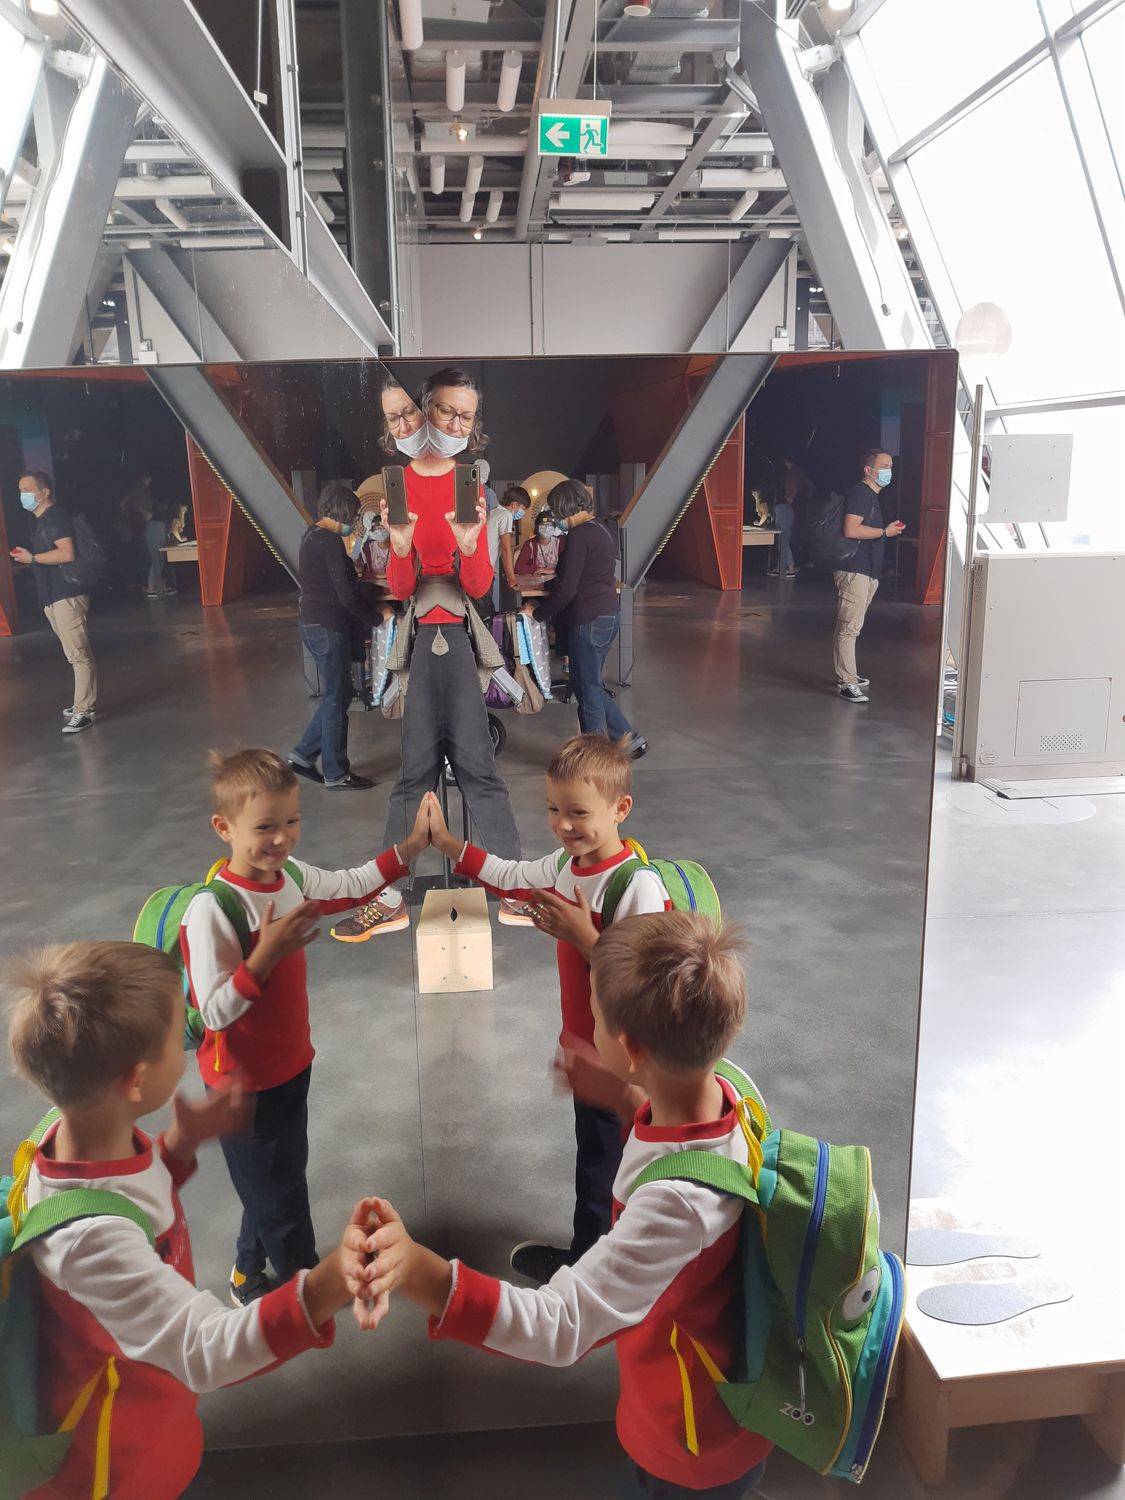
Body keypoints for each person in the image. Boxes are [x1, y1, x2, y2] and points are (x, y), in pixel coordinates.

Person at [346, 910, 772, 1500]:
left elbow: (560, 1325)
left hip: (690, 1446)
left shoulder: (677, 1207)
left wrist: (425, 1274)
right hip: (723, 1408)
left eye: (594, 1019)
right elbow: (688, 1139)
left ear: (629, 1048)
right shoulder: (733, 1090)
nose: (588, 1026)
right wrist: (625, 1096)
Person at [6, 938, 380, 1500]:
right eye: (178, 1036)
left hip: (150, 1405)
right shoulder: (89, 1244)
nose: (193, 1038)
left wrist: (177, 1147)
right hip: (118, 1468)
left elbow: (119, 1197)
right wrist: (329, 1283)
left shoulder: (69, 1134)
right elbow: (204, 1349)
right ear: (136, 1080)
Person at [181, 749, 430, 1306]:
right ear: (224, 827)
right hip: (241, 1087)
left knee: (275, 1179)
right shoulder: (215, 909)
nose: (281, 839)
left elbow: (348, 884)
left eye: (291, 821)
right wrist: (264, 956)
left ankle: (247, 1273)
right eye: (264, 827)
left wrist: (409, 850)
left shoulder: (289, 876)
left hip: (292, 1065)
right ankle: (308, 1293)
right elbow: (214, 1011)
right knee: (283, 1200)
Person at [425, 733, 673, 1282]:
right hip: (590, 1053)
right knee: (596, 1163)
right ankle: (593, 1258)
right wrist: (450, 846)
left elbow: (645, 985)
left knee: (617, 1171)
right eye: (554, 810)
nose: (563, 825)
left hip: (625, 1066)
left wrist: (585, 938)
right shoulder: (569, 863)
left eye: (578, 812)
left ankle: (601, 1273)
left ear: (621, 809)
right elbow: (513, 876)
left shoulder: (635, 886)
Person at [333, 370, 526, 941]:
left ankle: (514, 892)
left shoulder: (472, 483)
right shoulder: (398, 484)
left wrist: (470, 549)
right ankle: (391, 898)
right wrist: (399, 549)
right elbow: (399, 588)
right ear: (425, 410)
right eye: (446, 411)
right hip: (421, 639)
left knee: (478, 770)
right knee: (413, 774)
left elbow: (479, 586)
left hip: (459, 638)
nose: (456, 424)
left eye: (467, 416)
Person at [528, 478, 645, 760]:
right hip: (606, 615)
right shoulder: (600, 529)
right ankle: (629, 739)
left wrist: (539, 613)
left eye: (555, 509)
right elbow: (583, 575)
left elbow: (568, 589)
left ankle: (595, 757)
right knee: (586, 683)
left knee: (588, 687)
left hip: (589, 618)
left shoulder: (579, 535)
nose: (554, 517)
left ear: (564, 506)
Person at [289, 480, 387, 791]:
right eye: (354, 516)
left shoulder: (312, 535)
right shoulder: (329, 541)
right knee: (335, 698)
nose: (355, 523)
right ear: (343, 511)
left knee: (340, 694)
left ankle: (303, 754)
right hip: (327, 626)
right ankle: (335, 772)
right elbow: (345, 594)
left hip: (313, 624)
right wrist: (376, 617)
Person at [9, 470, 97, 734]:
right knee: (77, 653)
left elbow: (67, 554)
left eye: (27, 489)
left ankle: (84, 711)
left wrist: (33, 558)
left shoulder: (55, 517)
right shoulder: (43, 521)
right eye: (20, 490)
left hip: (66, 596)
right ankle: (84, 702)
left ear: (45, 491)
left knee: (78, 655)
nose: (23, 495)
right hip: (55, 598)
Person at [834, 449, 904, 704]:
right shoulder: (862, 494)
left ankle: (848, 674)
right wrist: (884, 532)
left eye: (890, 466)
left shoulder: (870, 496)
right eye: (883, 466)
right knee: (849, 628)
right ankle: (847, 682)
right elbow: (851, 529)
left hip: (866, 572)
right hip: (855, 571)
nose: (888, 471)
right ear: (868, 470)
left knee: (848, 626)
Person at [484, 484, 528, 615]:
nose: (523, 513)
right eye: (523, 509)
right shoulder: (506, 515)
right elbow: (506, 548)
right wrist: (512, 579)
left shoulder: (494, 512)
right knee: (485, 612)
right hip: (485, 572)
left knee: (483, 610)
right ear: (514, 505)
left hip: (483, 568)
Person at [515, 508, 562, 577]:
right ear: (537, 526)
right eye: (543, 524)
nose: (546, 528)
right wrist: (538, 569)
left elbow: (569, 565)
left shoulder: (559, 542)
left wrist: (553, 570)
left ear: (554, 528)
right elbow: (518, 568)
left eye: (550, 525)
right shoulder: (529, 544)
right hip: (538, 581)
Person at [143, 500, 170, 599]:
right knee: (157, 566)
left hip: (152, 544)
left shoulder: (149, 525)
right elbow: (165, 535)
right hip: (159, 545)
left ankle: (157, 588)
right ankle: (154, 588)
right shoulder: (160, 524)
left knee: (156, 565)